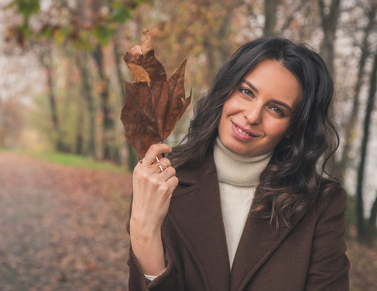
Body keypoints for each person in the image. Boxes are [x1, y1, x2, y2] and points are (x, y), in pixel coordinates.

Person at [127, 36, 350, 290]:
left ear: (293, 128)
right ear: (225, 91)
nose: (252, 116)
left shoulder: (321, 205)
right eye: (246, 92)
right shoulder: (159, 180)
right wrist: (143, 229)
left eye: (277, 109)